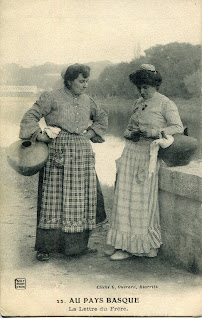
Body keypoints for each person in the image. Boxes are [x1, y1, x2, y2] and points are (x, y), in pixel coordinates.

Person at [19, 63, 108, 261]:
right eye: (81, 81)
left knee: (80, 200)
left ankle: (76, 247)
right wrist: (39, 135)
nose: (85, 85)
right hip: (58, 151)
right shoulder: (51, 96)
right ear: (69, 80)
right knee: (54, 199)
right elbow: (30, 117)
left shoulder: (88, 100)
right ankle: (46, 247)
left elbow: (101, 118)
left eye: (87, 81)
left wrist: (90, 133)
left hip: (82, 154)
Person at [105, 64, 184, 260]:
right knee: (125, 199)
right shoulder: (138, 103)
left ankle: (146, 245)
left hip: (148, 155)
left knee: (142, 201)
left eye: (145, 87)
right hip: (131, 153)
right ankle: (123, 246)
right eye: (139, 87)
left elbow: (178, 127)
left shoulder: (165, 103)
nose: (142, 91)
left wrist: (154, 133)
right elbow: (128, 128)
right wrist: (128, 133)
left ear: (155, 86)